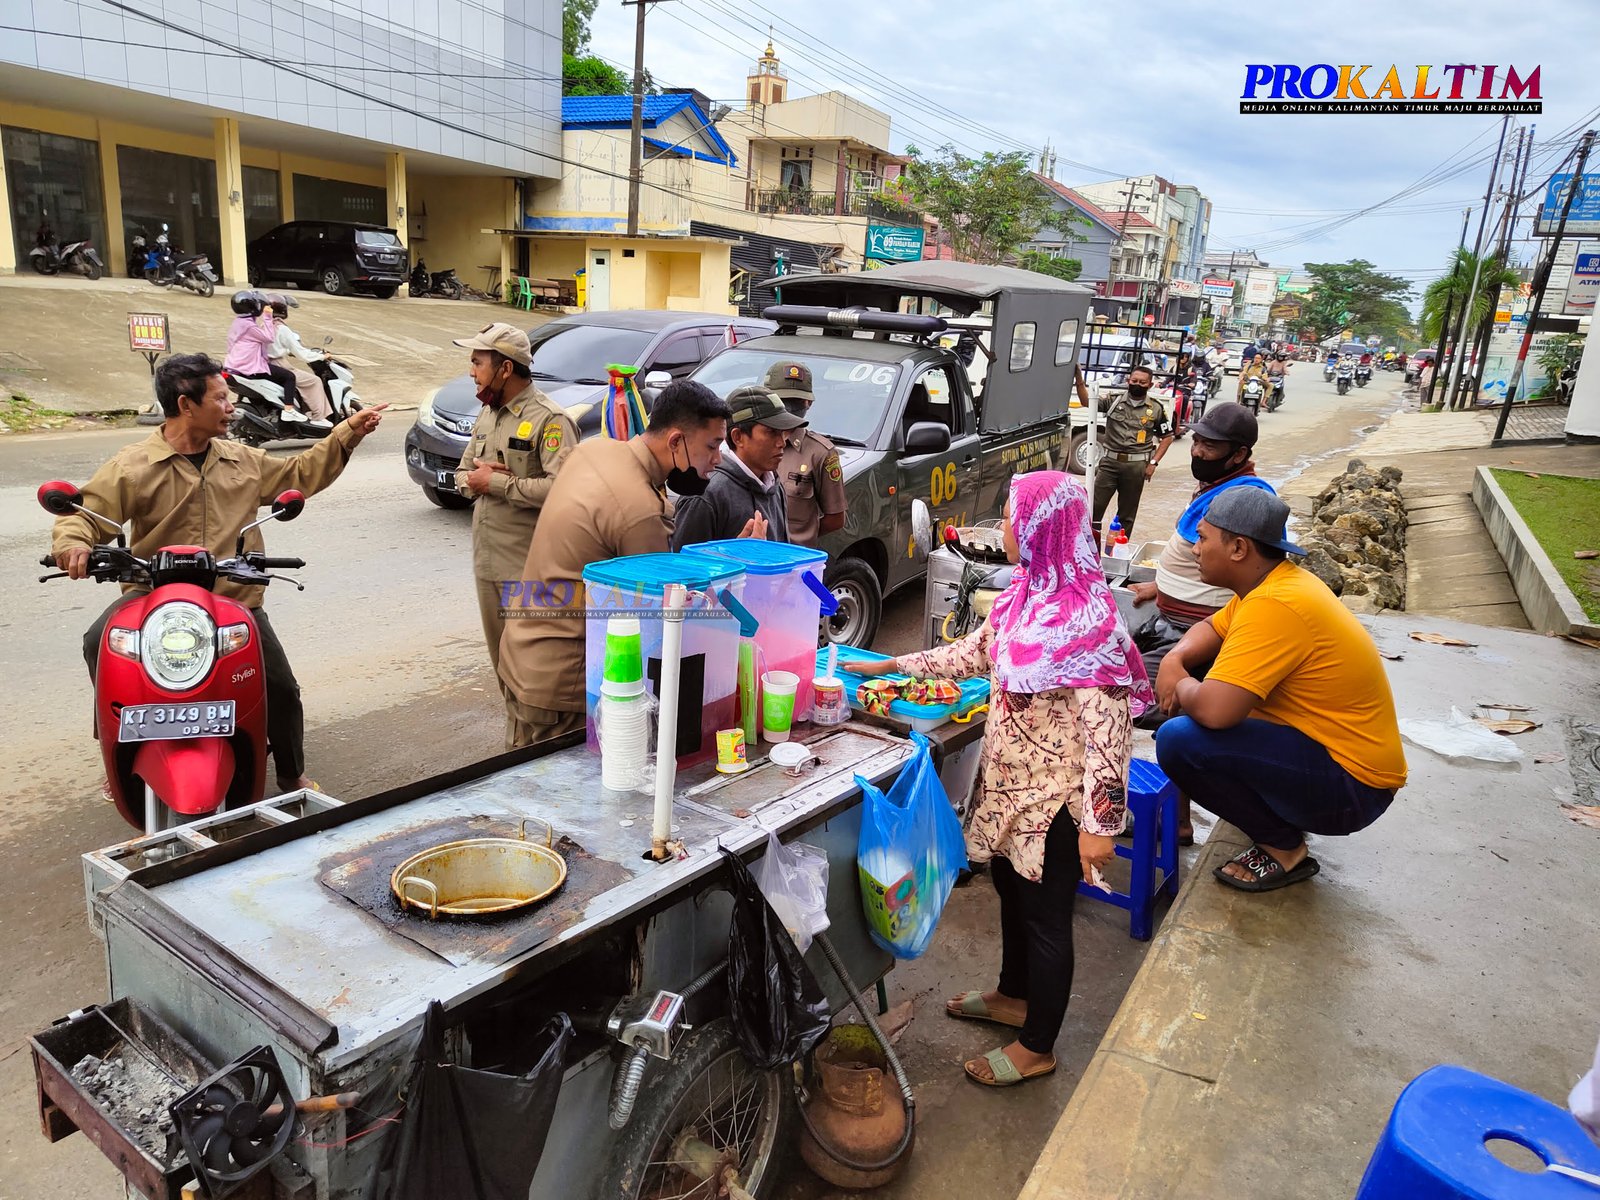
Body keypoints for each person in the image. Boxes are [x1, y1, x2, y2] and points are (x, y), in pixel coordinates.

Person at [865, 472, 1152, 1087]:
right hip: (1009, 790)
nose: (1006, 529)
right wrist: (893, 664)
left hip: (1058, 806)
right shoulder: (1028, 593)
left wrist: (1100, 826)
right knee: (1011, 890)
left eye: (1014, 517)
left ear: (1046, 527)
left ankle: (1038, 1045)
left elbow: (1110, 735)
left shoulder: (1088, 624)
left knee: (1047, 919)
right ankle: (1013, 996)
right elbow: (972, 653)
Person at [52, 353, 386, 795]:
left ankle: (291, 773)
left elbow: (297, 474)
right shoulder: (132, 466)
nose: (231, 407)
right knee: (98, 641)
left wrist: (347, 432)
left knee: (281, 688)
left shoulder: (242, 460)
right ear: (186, 405)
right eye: (221, 398)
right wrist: (73, 543)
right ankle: (116, 746)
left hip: (232, 599)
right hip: (151, 600)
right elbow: (86, 513)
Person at [1153, 487, 1406, 892]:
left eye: (1202, 538)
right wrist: (1173, 660)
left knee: (1179, 739)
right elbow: (1209, 629)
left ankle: (1284, 846)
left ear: (1238, 548)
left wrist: (1180, 683)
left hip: (1354, 788)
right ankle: (1280, 819)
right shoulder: (1272, 585)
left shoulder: (1275, 605)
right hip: (1331, 759)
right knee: (1199, 689)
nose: (1195, 549)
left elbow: (1217, 711)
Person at [497, 381, 758, 748]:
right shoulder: (638, 511)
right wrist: (733, 563)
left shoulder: (596, 450)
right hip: (561, 683)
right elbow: (662, 617)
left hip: (522, 651)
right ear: (675, 441)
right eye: (712, 446)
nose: (718, 460)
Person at [1127, 402, 1274, 844]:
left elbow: (1245, 573)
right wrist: (1161, 585)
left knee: (1133, 701)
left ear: (1238, 453)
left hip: (1202, 634)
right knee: (1166, 715)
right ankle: (1178, 819)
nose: (1198, 450)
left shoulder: (1245, 498)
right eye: (1197, 440)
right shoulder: (1216, 484)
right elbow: (1195, 558)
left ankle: (1168, 817)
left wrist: (1188, 655)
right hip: (1174, 622)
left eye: (1210, 445)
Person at [448, 322, 578, 719]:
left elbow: (565, 491)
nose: (471, 371)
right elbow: (462, 472)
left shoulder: (550, 420)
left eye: (478, 362)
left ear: (505, 369)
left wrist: (502, 484)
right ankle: (515, 734)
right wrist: (477, 479)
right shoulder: (488, 414)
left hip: (527, 570)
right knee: (500, 663)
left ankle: (533, 745)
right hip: (486, 564)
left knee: (532, 672)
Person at [670, 384, 801, 549]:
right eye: (771, 432)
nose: (782, 442)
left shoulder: (773, 483)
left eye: (783, 433)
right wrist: (735, 558)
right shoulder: (706, 494)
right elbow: (685, 568)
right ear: (738, 437)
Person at [1090, 362, 1172, 541]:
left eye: (1143, 382)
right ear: (1128, 380)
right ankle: (1088, 550)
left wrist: (1153, 463)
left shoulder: (1156, 409)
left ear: (1150, 385)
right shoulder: (1114, 401)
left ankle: (1118, 551)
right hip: (1109, 464)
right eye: (1134, 380)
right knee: (1093, 509)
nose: (1137, 384)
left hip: (1136, 467)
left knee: (1127, 515)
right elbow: (1085, 402)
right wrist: (1080, 381)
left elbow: (1167, 437)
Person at [770, 361, 847, 547]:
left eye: (796, 401)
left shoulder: (820, 453)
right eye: (782, 400)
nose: (789, 407)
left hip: (794, 558)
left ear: (809, 403)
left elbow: (835, 518)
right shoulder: (749, 442)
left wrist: (801, 537)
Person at [223, 290, 300, 409]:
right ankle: (289, 410)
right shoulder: (249, 326)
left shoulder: (238, 322)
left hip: (233, 366)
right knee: (289, 377)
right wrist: (268, 317)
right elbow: (269, 337)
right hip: (248, 368)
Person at [264, 294, 331, 419]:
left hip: (266, 363)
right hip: (279, 364)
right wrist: (322, 356)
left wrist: (288, 351)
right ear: (283, 310)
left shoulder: (265, 325)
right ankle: (318, 417)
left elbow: (273, 346)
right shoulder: (282, 329)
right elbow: (302, 354)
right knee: (314, 381)